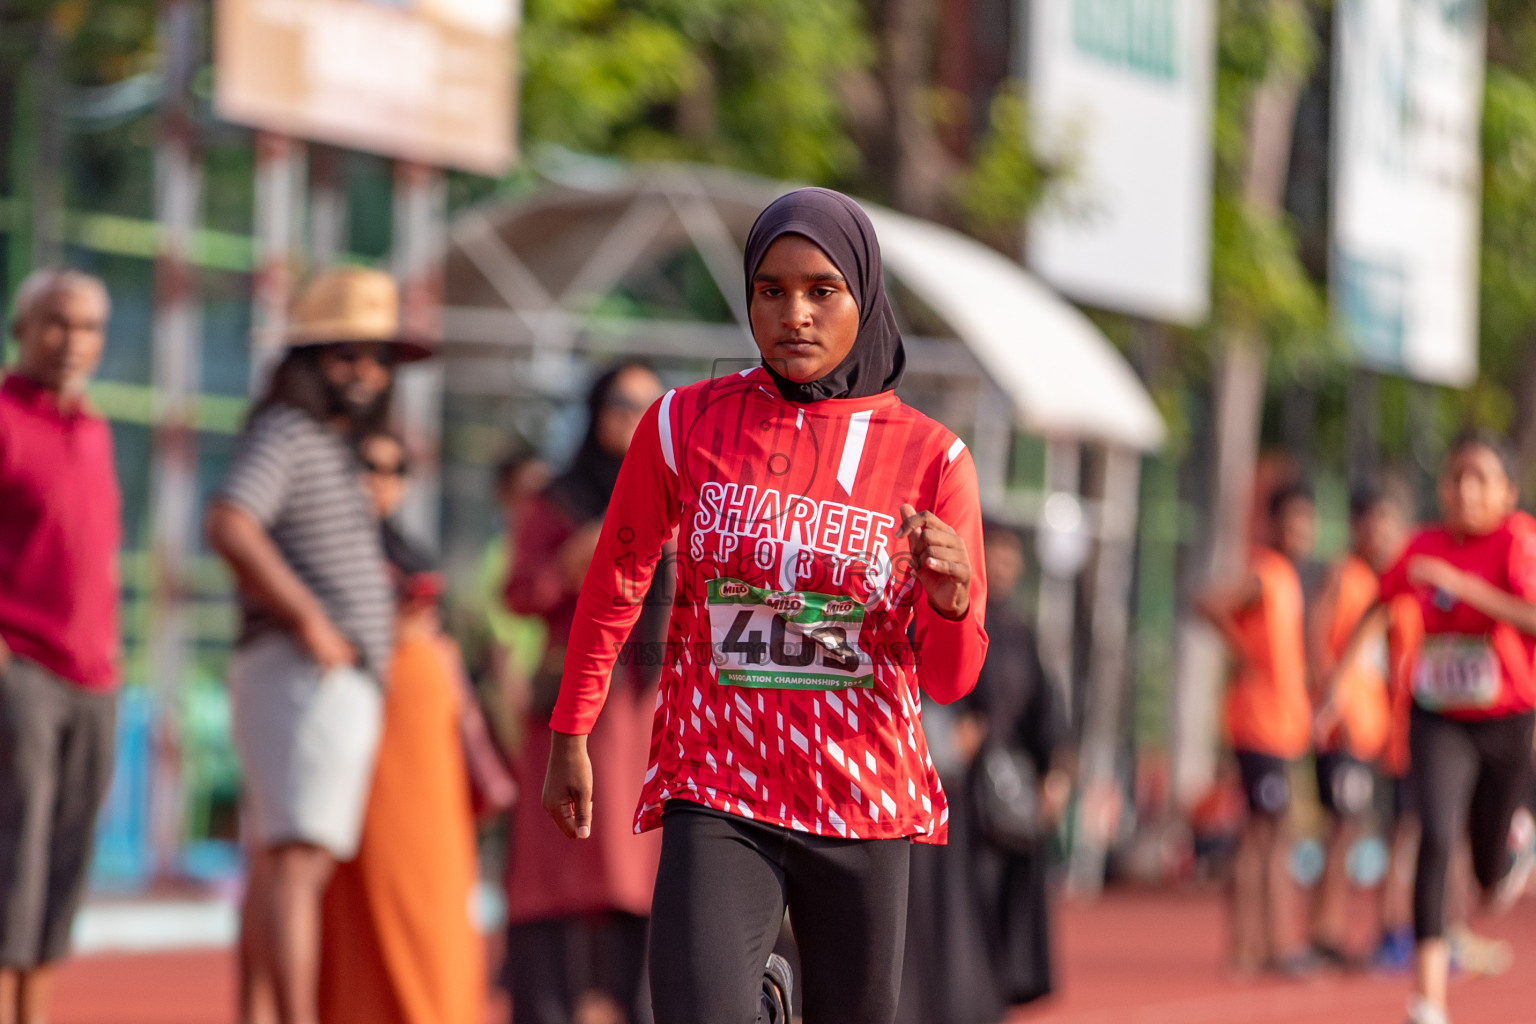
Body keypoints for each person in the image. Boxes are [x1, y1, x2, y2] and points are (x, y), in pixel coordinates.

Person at [540, 187, 989, 1024]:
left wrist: (954, 598)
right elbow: (618, 578)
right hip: (720, 781)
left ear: (865, 293)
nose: (795, 314)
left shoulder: (934, 460)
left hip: (861, 799)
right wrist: (572, 731)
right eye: (770, 291)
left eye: (823, 290)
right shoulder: (683, 423)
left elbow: (954, 681)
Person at [206, 266, 430, 1024]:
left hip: (314, 677)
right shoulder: (290, 433)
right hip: (303, 673)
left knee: (280, 863)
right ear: (305, 358)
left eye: (377, 357)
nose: (366, 372)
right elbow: (230, 520)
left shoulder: (331, 445)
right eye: (345, 354)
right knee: (297, 865)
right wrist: (309, 619)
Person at [1331, 432, 1536, 1024]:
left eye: (1480, 479)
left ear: (1507, 492)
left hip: (1506, 720)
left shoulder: (1516, 541)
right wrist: (1339, 682)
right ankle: (1427, 1000)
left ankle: (1509, 849)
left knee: (1487, 874)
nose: (1465, 491)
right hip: (1438, 714)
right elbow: (1378, 602)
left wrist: (1468, 588)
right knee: (1435, 835)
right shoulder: (1424, 545)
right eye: (1455, 478)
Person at [502, 362, 668, 1024]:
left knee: (643, 874)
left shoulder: (680, 498)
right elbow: (517, 592)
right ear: (595, 408)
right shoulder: (558, 501)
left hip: (649, 712)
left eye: (648, 405)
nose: (632, 416)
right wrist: (572, 561)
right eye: (619, 402)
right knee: (565, 869)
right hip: (574, 714)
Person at [319, 431, 484, 1024]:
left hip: (422, 741)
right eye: (365, 464)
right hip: (356, 727)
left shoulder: (412, 550)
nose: (378, 479)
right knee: (359, 885)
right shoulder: (317, 551)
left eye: (393, 469)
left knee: (428, 885)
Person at [0, 269, 118, 1024]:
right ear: (22, 329)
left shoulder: (96, 429)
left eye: (87, 328)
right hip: (24, 669)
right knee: (14, 856)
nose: (72, 341)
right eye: (56, 322)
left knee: (65, 866)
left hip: (96, 677)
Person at [897, 521, 1066, 1024]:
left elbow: (1044, 710)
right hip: (951, 796)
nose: (1008, 567)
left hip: (1006, 799)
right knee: (949, 913)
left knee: (1002, 908)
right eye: (999, 556)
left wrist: (1055, 770)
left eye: (1015, 558)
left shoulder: (1017, 628)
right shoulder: (935, 614)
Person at [1196, 481, 1316, 976]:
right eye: (1292, 520)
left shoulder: (1287, 577)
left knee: (1270, 833)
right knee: (1261, 835)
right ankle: (1255, 946)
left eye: (1307, 521)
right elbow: (1209, 603)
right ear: (1273, 524)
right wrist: (1243, 654)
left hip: (1282, 726)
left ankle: (1265, 945)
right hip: (1259, 724)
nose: (1302, 531)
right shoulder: (1265, 573)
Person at [1306, 482, 1406, 966]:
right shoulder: (1343, 575)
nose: (1380, 531)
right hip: (1342, 726)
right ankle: (1323, 934)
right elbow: (1314, 634)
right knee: (1340, 828)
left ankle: (1337, 931)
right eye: (1372, 520)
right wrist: (1332, 700)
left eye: (1388, 521)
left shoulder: (1382, 582)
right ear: (1355, 525)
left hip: (1372, 729)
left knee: (1354, 828)